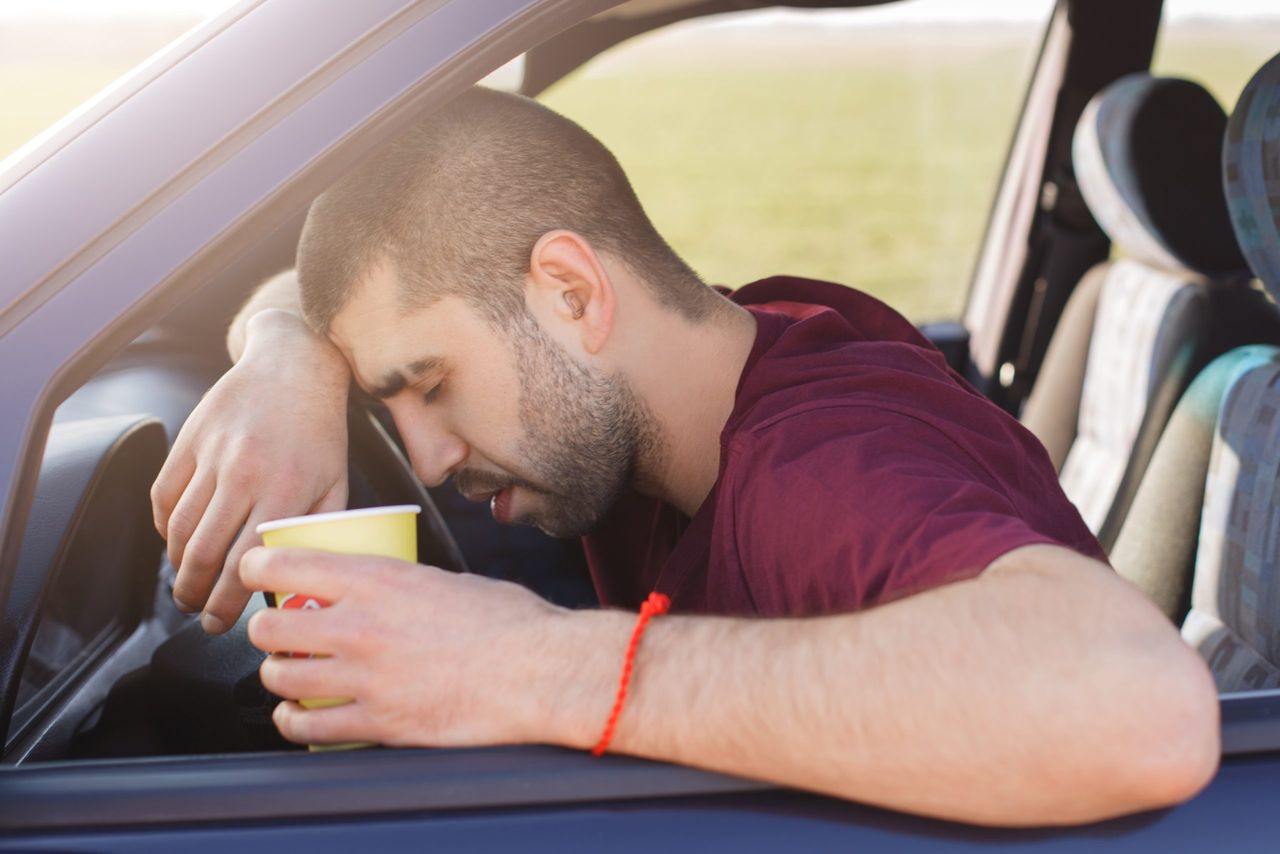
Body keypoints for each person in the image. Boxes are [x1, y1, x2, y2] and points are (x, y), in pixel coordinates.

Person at [151, 87, 1219, 826]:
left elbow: (1140, 703)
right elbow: (334, 274)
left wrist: (528, 663)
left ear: (571, 291)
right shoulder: (718, 354)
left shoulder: (819, 470)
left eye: (431, 384)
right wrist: (290, 357)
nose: (426, 457)